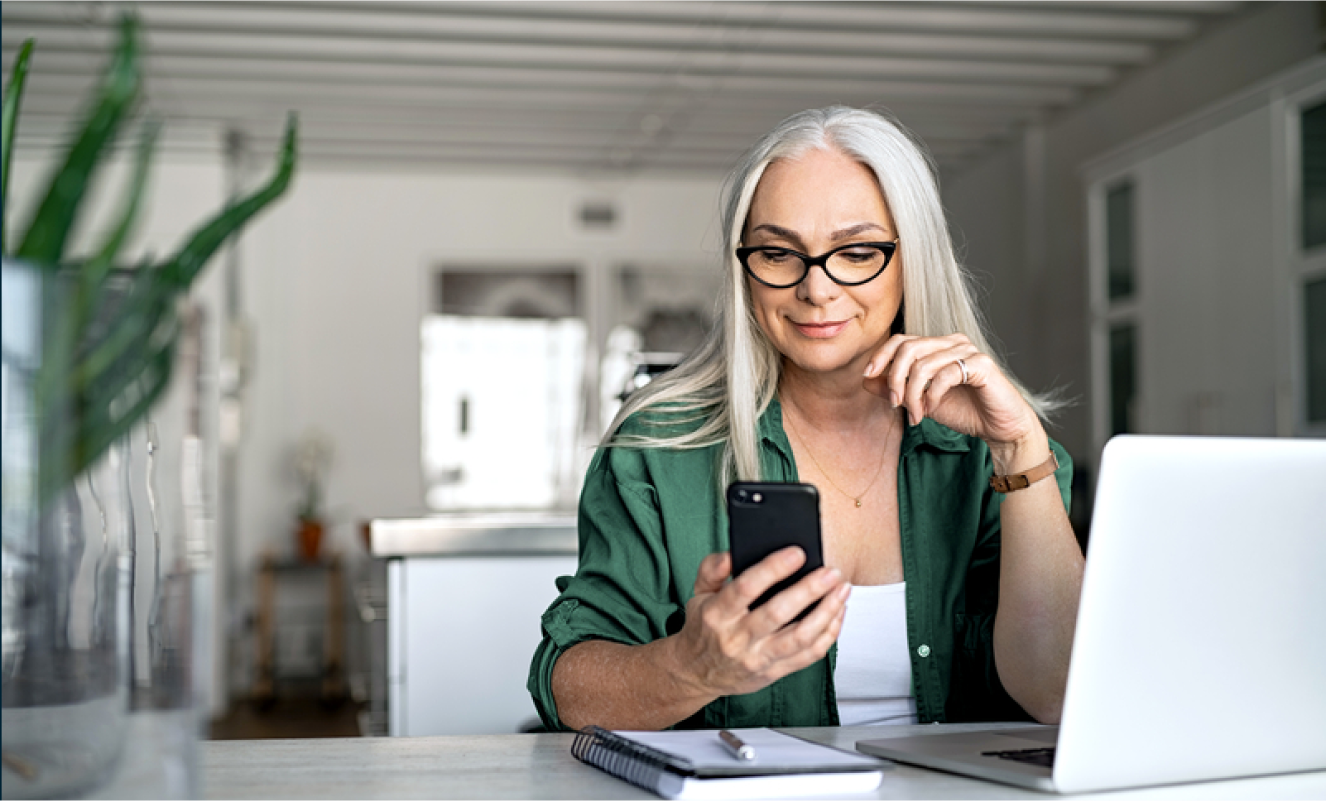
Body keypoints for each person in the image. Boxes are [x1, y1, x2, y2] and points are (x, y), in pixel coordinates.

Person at [528, 106, 1084, 732]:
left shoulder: (1001, 456)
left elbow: (1059, 694)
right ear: (745, 270)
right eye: (777, 253)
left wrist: (1019, 450)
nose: (815, 289)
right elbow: (568, 689)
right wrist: (691, 668)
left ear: (912, 258)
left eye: (855, 252)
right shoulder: (657, 447)